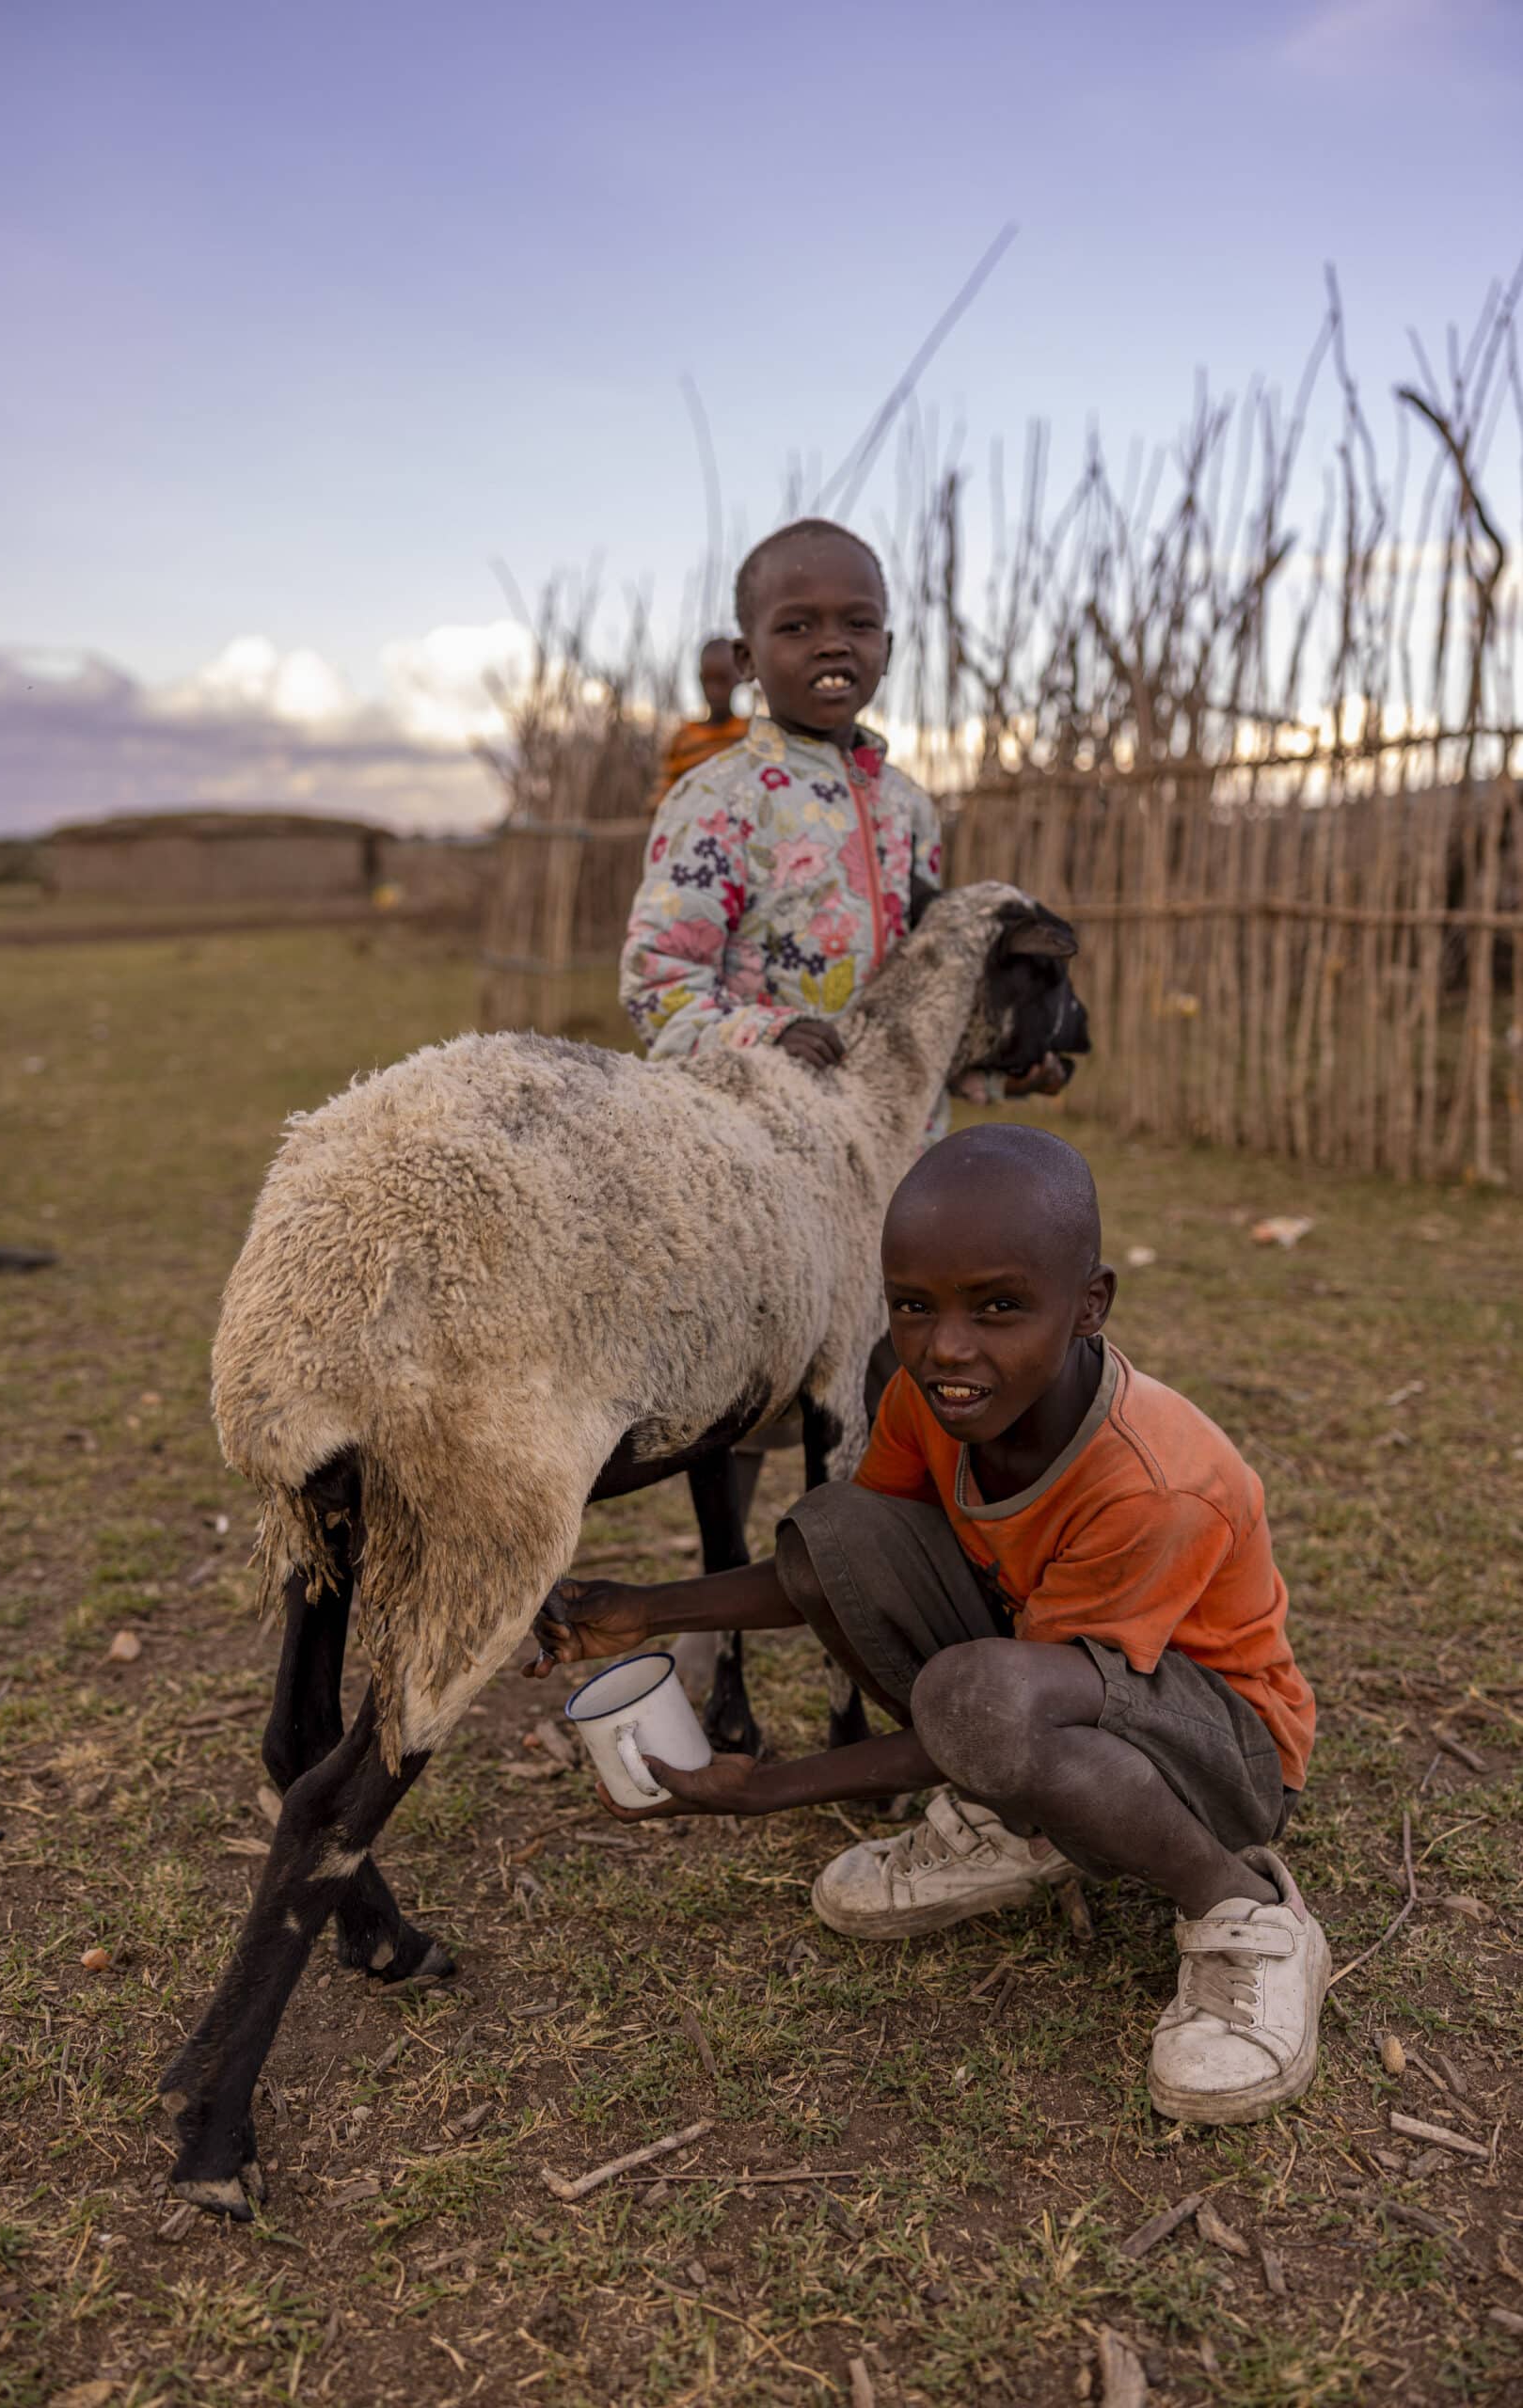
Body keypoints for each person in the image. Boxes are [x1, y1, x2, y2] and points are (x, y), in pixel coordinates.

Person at [525, 1125, 1328, 2127]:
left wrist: (765, 1791)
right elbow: (850, 1571)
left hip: (1224, 1753)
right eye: (914, 1305)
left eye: (998, 1306)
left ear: (1090, 1304)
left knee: (982, 1703)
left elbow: (997, 1706)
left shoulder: (1154, 1483)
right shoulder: (929, 1397)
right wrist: (646, 1608)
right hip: (1053, 1692)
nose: (947, 1345)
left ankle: (1241, 1908)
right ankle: (1024, 1822)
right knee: (834, 1533)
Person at [622, 518, 944, 1078]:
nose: (832, 643)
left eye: (859, 623)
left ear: (886, 649)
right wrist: (764, 1036)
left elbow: (927, 980)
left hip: (897, 1143)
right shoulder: (715, 801)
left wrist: (995, 1064)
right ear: (746, 660)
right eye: (797, 626)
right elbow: (660, 981)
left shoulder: (910, 807)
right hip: (754, 1138)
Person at [648, 636, 749, 809]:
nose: (714, 691)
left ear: (738, 678)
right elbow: (662, 801)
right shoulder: (683, 740)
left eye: (722, 679)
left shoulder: (752, 734)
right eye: (708, 680)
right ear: (700, 680)